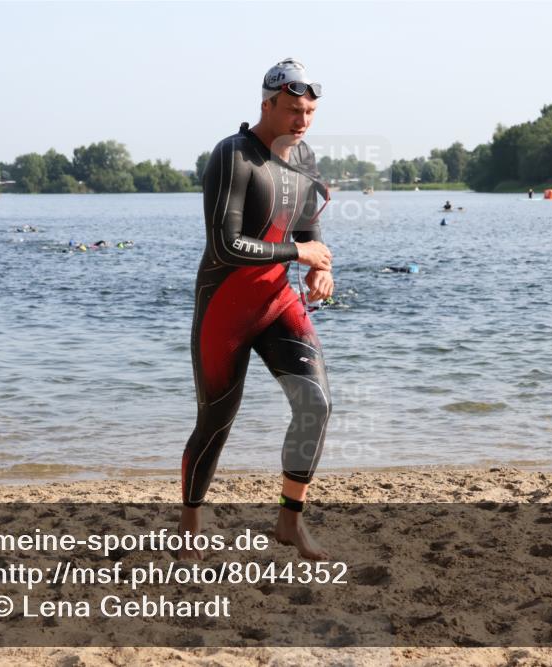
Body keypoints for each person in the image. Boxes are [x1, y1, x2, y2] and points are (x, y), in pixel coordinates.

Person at [180, 58, 334, 561]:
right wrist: (299, 254)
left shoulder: (305, 158)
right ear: (266, 104)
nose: (302, 121)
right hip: (225, 306)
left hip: (276, 301)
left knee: (316, 405)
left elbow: (307, 229)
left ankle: (289, 523)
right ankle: (189, 528)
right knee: (216, 420)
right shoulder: (233, 156)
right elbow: (226, 246)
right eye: (292, 109)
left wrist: (319, 267)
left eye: (309, 111)